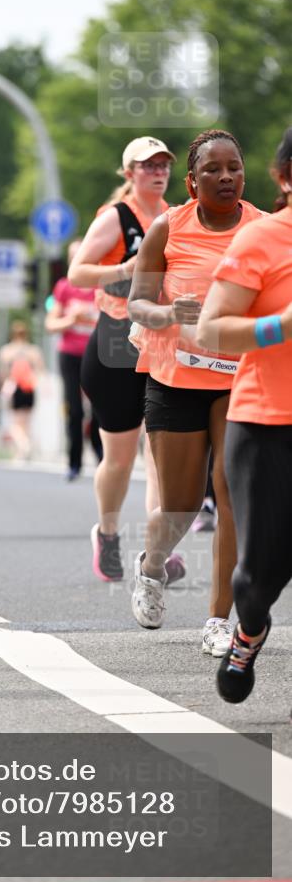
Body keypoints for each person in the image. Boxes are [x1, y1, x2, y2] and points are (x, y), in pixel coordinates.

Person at [127, 129, 264, 656]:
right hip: (176, 376)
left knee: (231, 494)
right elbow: (138, 302)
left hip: (239, 378)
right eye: (214, 169)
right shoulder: (169, 227)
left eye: (235, 167)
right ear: (192, 181)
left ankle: (217, 621)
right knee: (181, 507)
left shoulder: (264, 230)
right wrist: (169, 313)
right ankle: (153, 565)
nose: (226, 176)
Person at [196, 127, 292, 700]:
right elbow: (211, 327)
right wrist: (282, 325)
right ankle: (249, 629)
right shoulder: (261, 240)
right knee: (259, 576)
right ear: (285, 176)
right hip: (266, 425)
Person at [69, 136, 178, 582]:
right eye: (147, 165)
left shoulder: (176, 217)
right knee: (118, 458)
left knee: (160, 452)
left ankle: (160, 550)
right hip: (116, 341)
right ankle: (108, 532)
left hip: (161, 340)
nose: (157, 171)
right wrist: (124, 269)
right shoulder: (117, 218)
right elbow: (77, 272)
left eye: (163, 164)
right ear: (129, 173)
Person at [45, 240, 102, 479]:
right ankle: (74, 462)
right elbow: (51, 324)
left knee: (100, 408)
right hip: (70, 354)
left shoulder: (102, 286)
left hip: (98, 353)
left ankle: (101, 458)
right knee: (75, 410)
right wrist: (72, 319)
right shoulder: (64, 287)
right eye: (73, 256)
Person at [0, 320, 44, 460]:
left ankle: (23, 445)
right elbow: (40, 370)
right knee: (26, 420)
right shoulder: (33, 350)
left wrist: (2, 388)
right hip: (29, 388)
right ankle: (21, 451)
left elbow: (2, 373)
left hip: (15, 387)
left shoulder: (7, 351)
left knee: (15, 422)